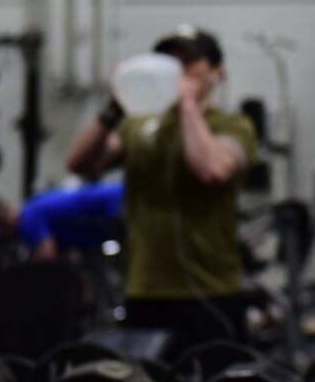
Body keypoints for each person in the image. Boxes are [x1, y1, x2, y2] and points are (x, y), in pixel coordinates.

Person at [65, 27, 258, 348]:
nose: (178, 71)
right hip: (145, 287)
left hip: (210, 290)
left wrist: (186, 104)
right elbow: (80, 163)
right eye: (169, 62)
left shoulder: (231, 125)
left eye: (190, 63)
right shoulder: (138, 124)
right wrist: (116, 104)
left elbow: (212, 170)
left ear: (216, 72)